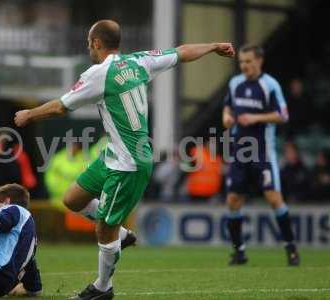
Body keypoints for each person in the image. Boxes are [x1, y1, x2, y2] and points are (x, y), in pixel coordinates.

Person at [15, 19, 234, 300]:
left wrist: (29, 115)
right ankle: (122, 234)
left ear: (96, 43)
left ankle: (102, 288)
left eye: (88, 41)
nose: (87, 46)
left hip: (128, 161)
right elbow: (181, 52)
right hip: (113, 154)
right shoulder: (139, 61)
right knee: (72, 199)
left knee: (103, 229)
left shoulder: (98, 73)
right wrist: (214, 46)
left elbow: (59, 107)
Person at [222, 44, 299, 266]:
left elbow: (283, 115)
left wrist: (256, 119)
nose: (244, 66)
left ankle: (291, 248)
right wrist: (226, 117)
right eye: (242, 62)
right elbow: (227, 107)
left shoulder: (269, 85)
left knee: (274, 198)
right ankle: (239, 252)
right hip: (240, 152)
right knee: (233, 200)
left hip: (263, 152)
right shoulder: (235, 83)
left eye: (248, 61)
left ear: (259, 61)